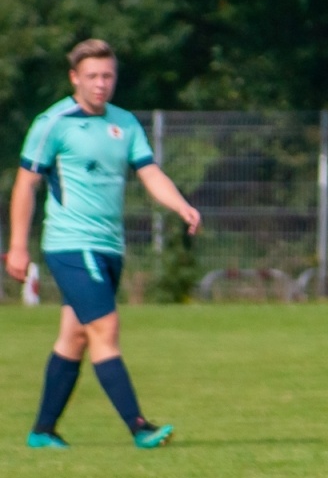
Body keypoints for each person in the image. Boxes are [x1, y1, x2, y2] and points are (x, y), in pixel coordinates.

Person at [7, 39, 201, 449]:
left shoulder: (125, 123)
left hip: (109, 246)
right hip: (70, 244)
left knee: (75, 336)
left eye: (107, 75)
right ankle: (140, 427)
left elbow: (149, 173)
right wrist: (19, 246)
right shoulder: (53, 123)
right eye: (92, 76)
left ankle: (42, 431)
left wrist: (181, 205)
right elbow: (26, 183)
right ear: (74, 78)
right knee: (105, 328)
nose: (101, 84)